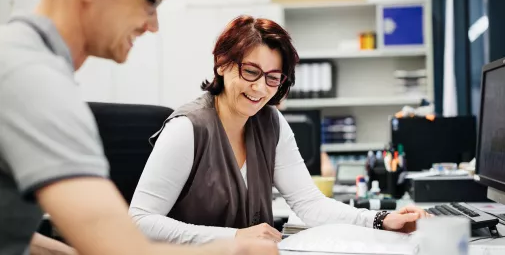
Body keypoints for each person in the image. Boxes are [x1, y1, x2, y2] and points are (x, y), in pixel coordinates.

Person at [0, 0, 278, 255]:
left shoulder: (17, 59)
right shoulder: (31, 78)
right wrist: (237, 249)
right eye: (151, 2)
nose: (153, 25)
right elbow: (120, 249)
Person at [128, 15, 430, 244]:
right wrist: (234, 239)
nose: (260, 89)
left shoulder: (271, 123)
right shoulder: (187, 129)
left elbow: (309, 205)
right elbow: (139, 221)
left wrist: (380, 219)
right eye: (250, 72)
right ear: (222, 63)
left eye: (274, 78)